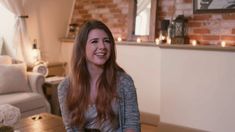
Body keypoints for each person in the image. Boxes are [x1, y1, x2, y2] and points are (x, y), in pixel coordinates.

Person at [58, 19, 140, 132]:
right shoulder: (65, 87)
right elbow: (70, 128)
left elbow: (132, 125)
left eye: (106, 41)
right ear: (82, 48)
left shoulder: (124, 82)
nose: (102, 46)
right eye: (94, 41)